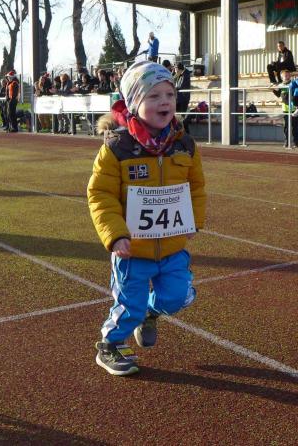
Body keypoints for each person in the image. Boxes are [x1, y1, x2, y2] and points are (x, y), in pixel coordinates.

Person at [87, 60, 206, 376]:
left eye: (169, 94)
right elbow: (100, 195)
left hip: (172, 247)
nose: (164, 101)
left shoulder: (185, 144)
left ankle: (151, 313)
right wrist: (115, 235)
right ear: (133, 103)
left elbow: (196, 187)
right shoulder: (117, 147)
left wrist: (194, 220)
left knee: (178, 297)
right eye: (153, 96)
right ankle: (110, 345)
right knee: (129, 306)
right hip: (132, 251)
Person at [272, 70, 298, 148]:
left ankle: (296, 141)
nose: (287, 77)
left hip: (293, 108)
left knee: (295, 126)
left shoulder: (293, 83)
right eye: (285, 76)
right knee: (286, 126)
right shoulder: (281, 85)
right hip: (285, 108)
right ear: (282, 77)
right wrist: (273, 89)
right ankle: (287, 141)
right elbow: (278, 95)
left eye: (288, 75)